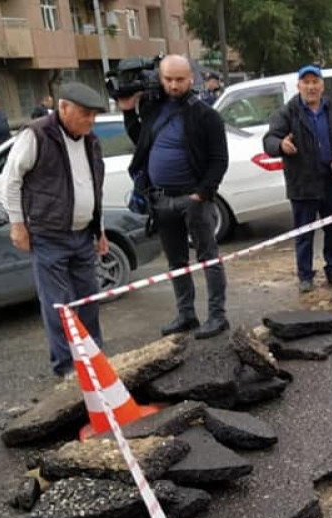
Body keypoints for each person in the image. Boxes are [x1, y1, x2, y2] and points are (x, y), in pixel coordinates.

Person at [2, 83, 110, 378]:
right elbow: (11, 180)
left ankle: (94, 359)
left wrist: (99, 229)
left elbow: (93, 186)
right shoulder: (36, 135)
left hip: (82, 234)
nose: (91, 120)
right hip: (49, 235)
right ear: (63, 108)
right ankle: (66, 367)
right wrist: (17, 225)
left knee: (88, 299)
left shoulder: (90, 140)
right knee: (58, 305)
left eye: (94, 115)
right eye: (85, 114)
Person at [119, 54, 230, 338]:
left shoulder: (206, 115)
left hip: (192, 200)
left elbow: (219, 160)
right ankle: (186, 314)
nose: (174, 85)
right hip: (161, 200)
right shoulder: (155, 109)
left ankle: (217, 317)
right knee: (176, 262)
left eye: (180, 79)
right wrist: (129, 111)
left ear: (191, 78)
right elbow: (141, 141)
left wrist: (201, 194)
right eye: (168, 79)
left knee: (208, 258)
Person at [263, 65, 332, 294]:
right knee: (304, 233)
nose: (311, 87)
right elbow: (269, 141)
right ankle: (305, 276)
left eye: (315, 82)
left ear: (322, 86)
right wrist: (281, 146)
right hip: (303, 183)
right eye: (307, 82)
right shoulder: (288, 112)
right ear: (299, 86)